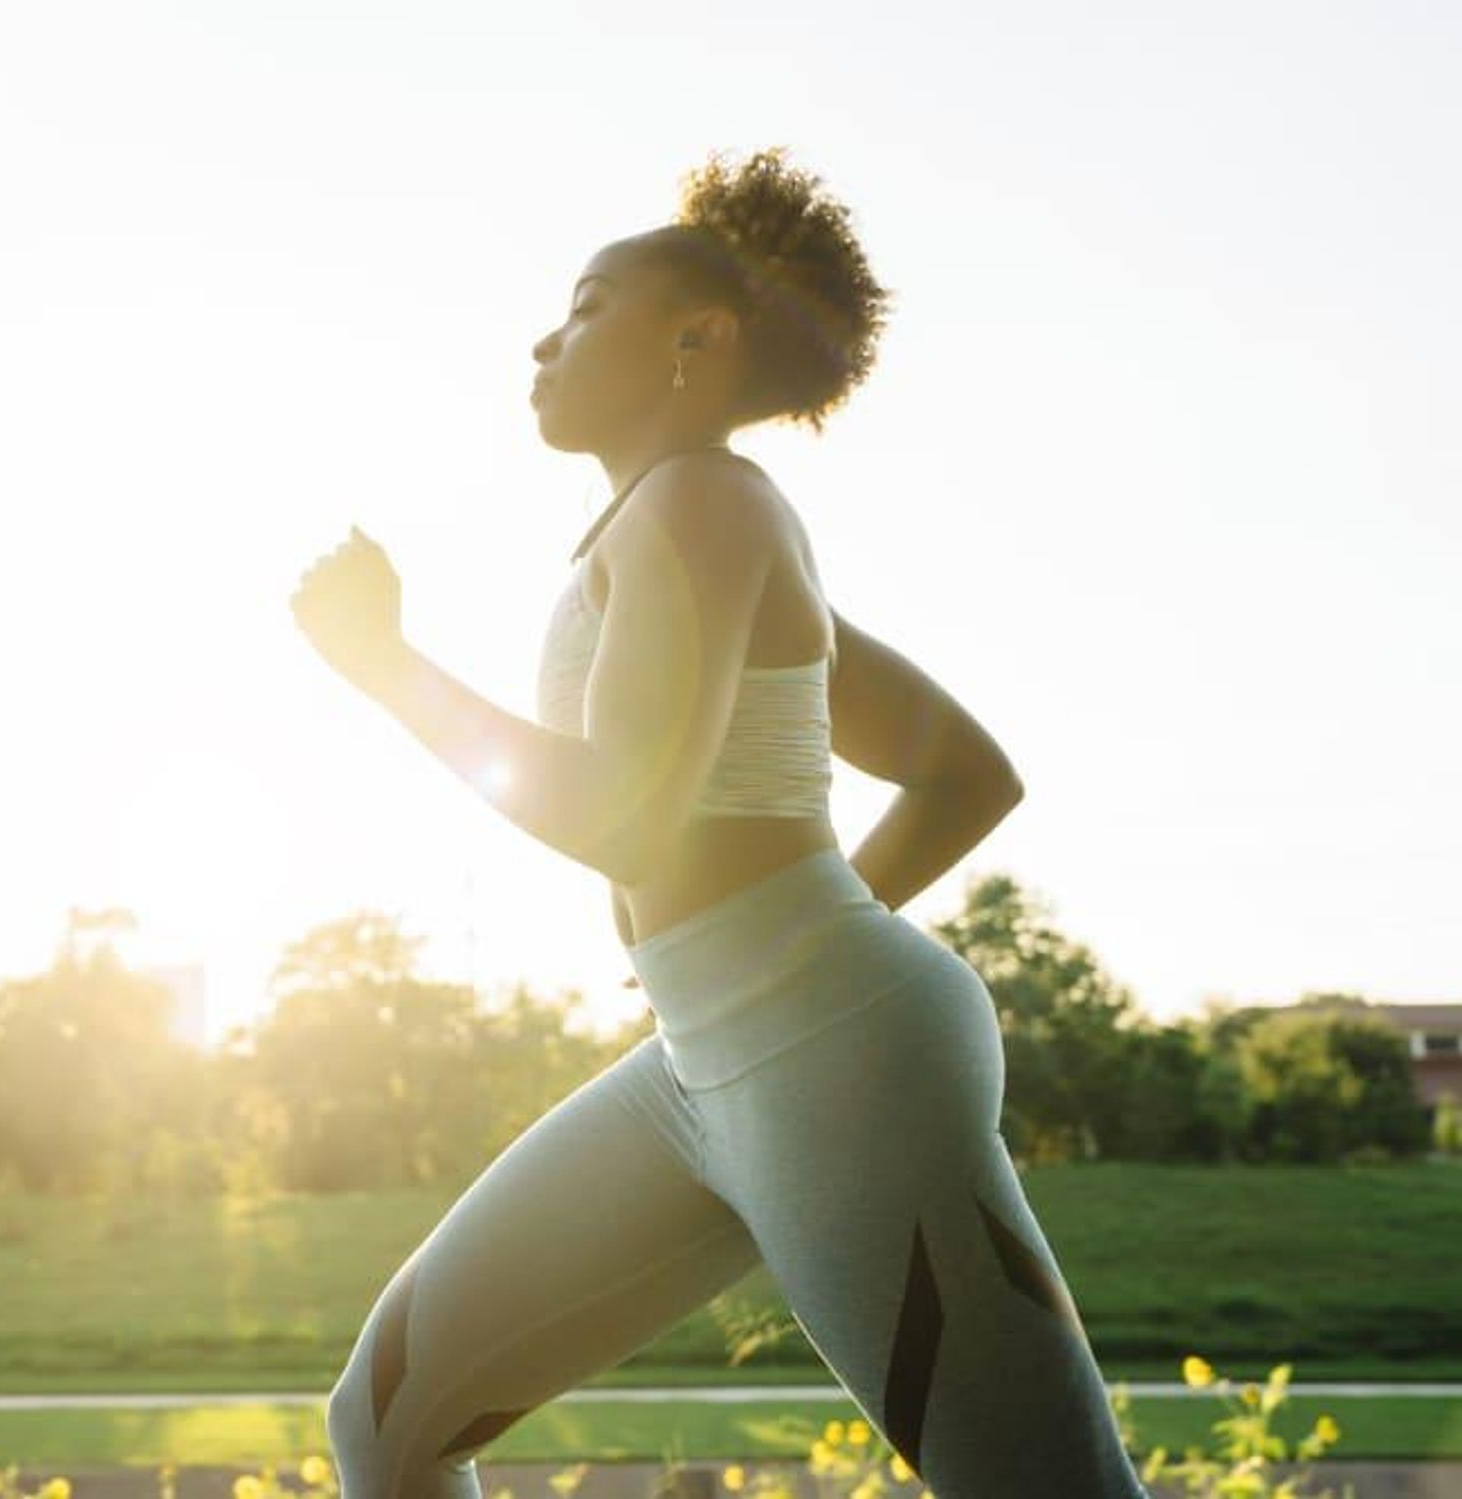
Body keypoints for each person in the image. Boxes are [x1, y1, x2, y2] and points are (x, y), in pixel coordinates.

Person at [301, 147, 1150, 1499]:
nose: (544, 335)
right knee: (386, 1423)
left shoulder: (704, 500)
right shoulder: (695, 521)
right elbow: (962, 771)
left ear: (697, 339)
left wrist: (384, 662)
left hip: (830, 1052)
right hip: (707, 1052)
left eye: (584, 306)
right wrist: (775, 955)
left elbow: (628, 815)